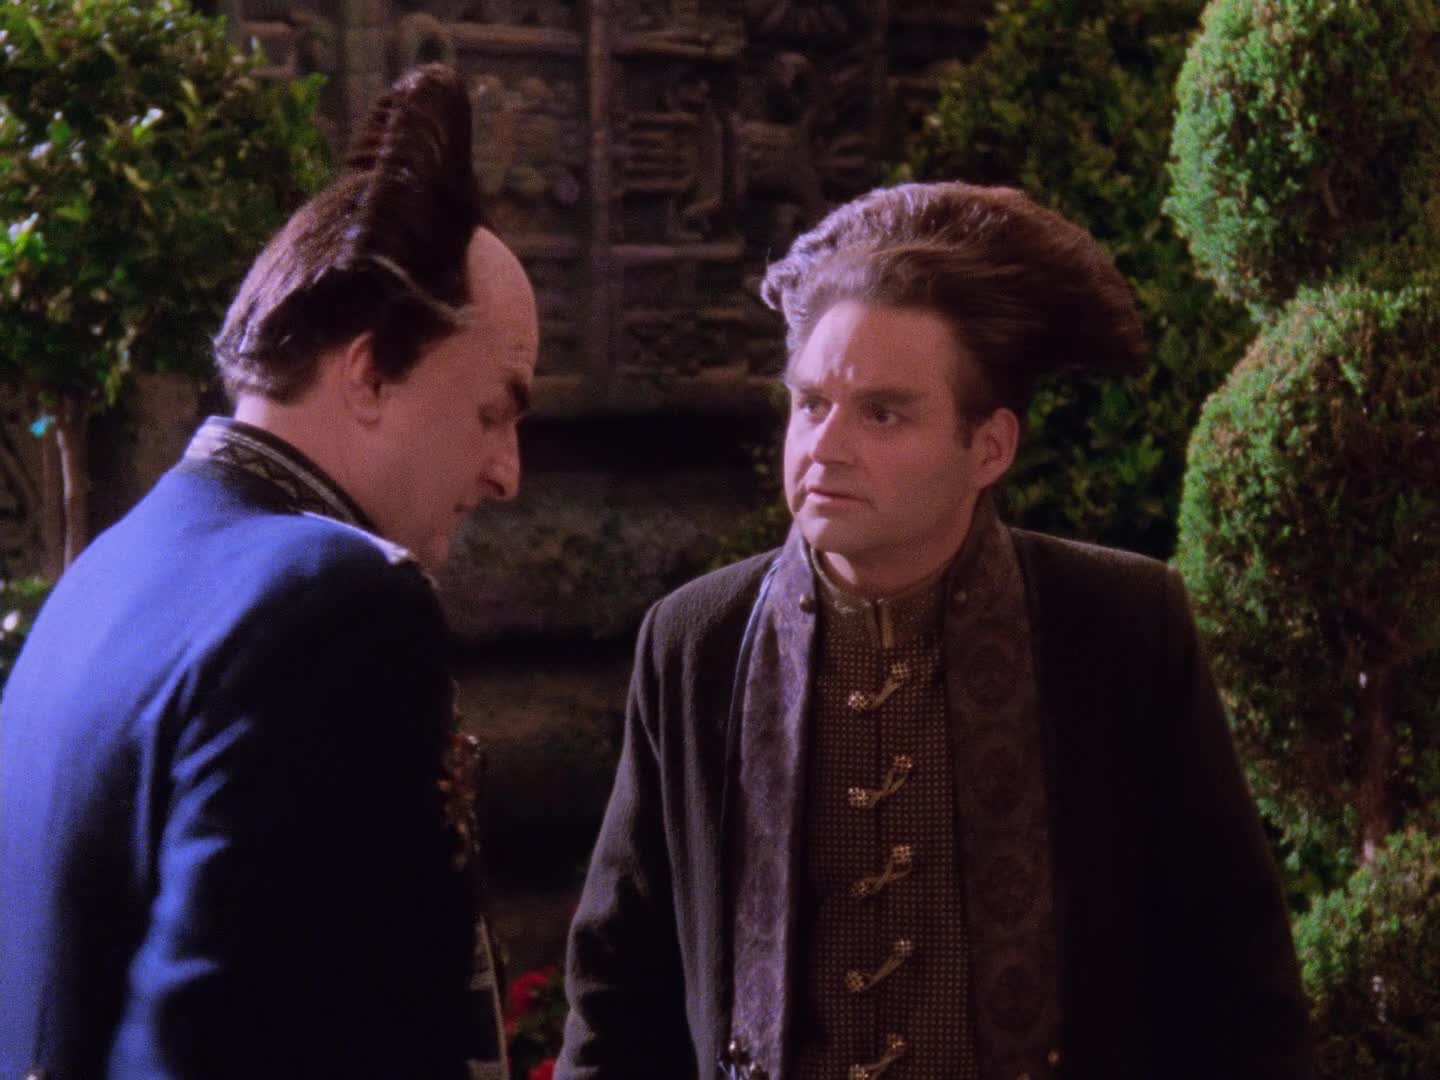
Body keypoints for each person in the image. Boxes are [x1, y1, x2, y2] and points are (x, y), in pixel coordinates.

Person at [557, 182, 1312, 1080]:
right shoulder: (698, 640)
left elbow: (1236, 985)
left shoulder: (1118, 625)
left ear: (989, 447)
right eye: (811, 404)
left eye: (882, 413)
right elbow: (618, 992)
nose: (824, 447)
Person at [0, 64, 536, 1079]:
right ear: (370, 371)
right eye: (494, 411)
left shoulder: (103, 575)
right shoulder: (336, 605)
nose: (507, 471)